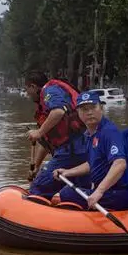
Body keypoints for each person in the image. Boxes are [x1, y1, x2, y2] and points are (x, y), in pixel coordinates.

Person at [54, 91, 128, 210]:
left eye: (93, 107)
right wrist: (67, 172)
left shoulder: (109, 132)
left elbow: (120, 164)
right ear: (78, 113)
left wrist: (99, 192)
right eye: (84, 109)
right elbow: (93, 163)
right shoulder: (90, 134)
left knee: (66, 193)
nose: (89, 112)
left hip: (118, 193)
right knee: (77, 180)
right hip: (108, 190)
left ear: (101, 108)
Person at [24, 71, 90, 199]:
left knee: (38, 189)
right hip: (79, 149)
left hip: (71, 150)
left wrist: (38, 132)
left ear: (33, 86)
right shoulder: (46, 108)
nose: (27, 94)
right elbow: (46, 142)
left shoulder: (49, 91)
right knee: (76, 192)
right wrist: (36, 167)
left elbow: (58, 111)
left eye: (27, 89)